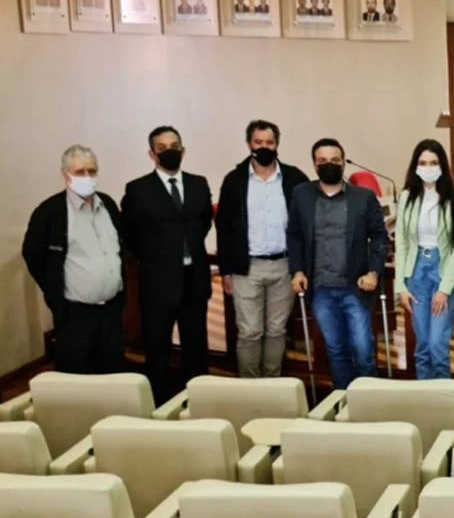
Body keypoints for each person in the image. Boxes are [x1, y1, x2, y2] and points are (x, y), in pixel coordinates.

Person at [287, 138, 388, 390]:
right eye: (322, 161)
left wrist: (374, 272)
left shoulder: (363, 197)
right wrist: (297, 270)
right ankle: (343, 400)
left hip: (355, 287)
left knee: (363, 351)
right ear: (314, 164)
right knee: (335, 350)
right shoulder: (301, 194)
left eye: (334, 160)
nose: (329, 164)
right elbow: (295, 235)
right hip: (320, 287)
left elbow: (379, 236)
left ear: (343, 163)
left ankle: (370, 402)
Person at [122, 126, 214, 399]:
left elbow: (203, 223)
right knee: (157, 348)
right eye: (162, 148)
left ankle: (199, 401)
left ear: (183, 150)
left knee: (196, 346)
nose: (169, 152)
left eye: (174, 146)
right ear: (152, 154)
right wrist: (157, 256)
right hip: (158, 280)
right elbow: (130, 234)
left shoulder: (199, 184)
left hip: (194, 278)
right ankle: (160, 404)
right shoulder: (138, 189)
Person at [216, 120, 309, 378]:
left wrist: (301, 266)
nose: (264, 147)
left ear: (277, 144)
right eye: (258, 142)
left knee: (277, 331)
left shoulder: (294, 178)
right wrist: (226, 270)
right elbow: (223, 227)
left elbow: (305, 223)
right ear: (249, 144)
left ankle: (272, 384)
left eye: (269, 142)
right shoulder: (234, 180)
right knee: (249, 331)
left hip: (284, 266)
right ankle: (251, 388)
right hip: (247, 267)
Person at [22, 145, 125, 373]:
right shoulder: (49, 212)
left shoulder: (108, 204)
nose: (87, 176)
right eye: (80, 172)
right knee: (77, 376)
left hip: (111, 312)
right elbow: (32, 255)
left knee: (113, 373)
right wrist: (54, 290)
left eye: (92, 170)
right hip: (74, 315)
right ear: (65, 175)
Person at [395, 139, 454, 380]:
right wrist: (400, 285)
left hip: (444, 270)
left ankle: (445, 397)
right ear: (415, 166)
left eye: (433, 163)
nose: (428, 168)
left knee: (437, 344)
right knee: (423, 345)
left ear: (442, 165)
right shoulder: (407, 197)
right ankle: (425, 396)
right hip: (416, 271)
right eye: (423, 163)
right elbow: (401, 243)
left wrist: (444, 290)